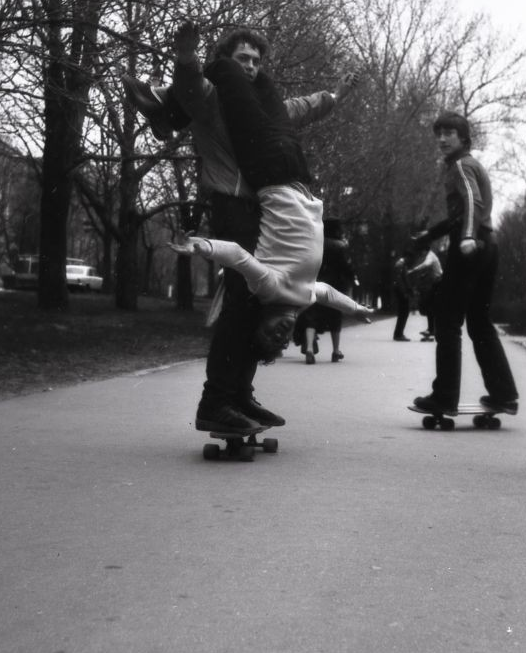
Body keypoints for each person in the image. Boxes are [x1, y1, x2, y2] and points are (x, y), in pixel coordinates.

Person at [121, 23, 359, 435]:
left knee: (257, 305)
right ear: (226, 63)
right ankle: (216, 401)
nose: (249, 66)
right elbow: (191, 86)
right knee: (241, 302)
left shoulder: (259, 107)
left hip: (260, 209)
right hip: (231, 204)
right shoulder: (213, 98)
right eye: (242, 59)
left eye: (255, 61)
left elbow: (299, 108)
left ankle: (239, 395)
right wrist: (186, 56)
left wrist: (335, 95)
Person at [167, 56, 372, 351]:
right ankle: (175, 104)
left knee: (228, 70)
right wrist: (355, 308)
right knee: (262, 82)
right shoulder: (302, 298)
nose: (281, 336)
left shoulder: (268, 289)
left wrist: (200, 246)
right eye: (283, 342)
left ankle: (170, 106)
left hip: (271, 172)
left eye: (270, 335)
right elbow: (326, 293)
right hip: (299, 177)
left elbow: (237, 255)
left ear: (261, 323)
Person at [411, 111, 519, 416]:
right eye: (439, 134)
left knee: (447, 319)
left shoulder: (461, 165)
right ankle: (504, 394)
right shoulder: (468, 164)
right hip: (488, 245)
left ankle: (444, 398)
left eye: (449, 134)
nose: (442, 139)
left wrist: (468, 236)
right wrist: (430, 235)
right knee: (479, 322)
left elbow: (473, 202)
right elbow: (460, 214)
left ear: (464, 138)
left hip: (470, 246)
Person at [292, 218, 359, 364]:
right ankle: (335, 351)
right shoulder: (340, 246)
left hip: (315, 283)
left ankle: (309, 348)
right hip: (335, 286)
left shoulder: (314, 243)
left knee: (311, 316)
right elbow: (346, 266)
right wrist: (352, 277)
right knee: (335, 317)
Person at [408, 246, 443, 341]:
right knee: (430, 307)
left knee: (430, 306)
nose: (421, 254)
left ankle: (432, 330)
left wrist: (414, 269)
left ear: (425, 250)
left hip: (438, 282)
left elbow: (426, 264)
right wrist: (424, 275)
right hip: (436, 282)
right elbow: (430, 269)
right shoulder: (431, 255)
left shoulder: (430, 255)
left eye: (422, 252)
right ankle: (431, 329)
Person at [391, 253, 413, 341]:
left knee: (403, 313)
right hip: (401, 291)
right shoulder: (400, 264)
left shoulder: (401, 264)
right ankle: (398, 334)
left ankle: (399, 333)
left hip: (401, 290)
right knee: (404, 312)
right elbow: (400, 280)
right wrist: (405, 292)